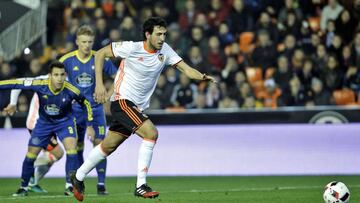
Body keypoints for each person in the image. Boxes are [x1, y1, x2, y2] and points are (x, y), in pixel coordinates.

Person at [70, 17, 216, 202]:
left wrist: (202, 76)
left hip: (135, 107)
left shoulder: (166, 50)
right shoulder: (131, 47)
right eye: (158, 34)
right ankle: (141, 185)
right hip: (122, 101)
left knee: (109, 145)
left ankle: (78, 176)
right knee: (151, 133)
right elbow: (99, 54)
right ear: (148, 34)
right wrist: (100, 85)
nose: (162, 38)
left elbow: (186, 70)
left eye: (164, 34)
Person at [0, 61, 93, 197]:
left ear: (65, 75)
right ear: (50, 75)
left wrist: (90, 125)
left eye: (62, 75)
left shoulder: (71, 89)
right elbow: (16, 83)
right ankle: (23, 187)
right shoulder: (40, 84)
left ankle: (69, 186)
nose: (59, 78)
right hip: (44, 124)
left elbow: (86, 103)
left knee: (71, 149)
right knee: (30, 155)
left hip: (64, 123)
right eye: (56, 75)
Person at [59, 25, 117, 195]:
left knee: (100, 145)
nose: (87, 45)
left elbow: (119, 75)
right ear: (77, 41)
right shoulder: (66, 60)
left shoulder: (99, 58)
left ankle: (101, 184)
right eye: (83, 42)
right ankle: (73, 183)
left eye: (90, 42)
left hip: (96, 109)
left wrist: (108, 93)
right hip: (75, 110)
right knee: (75, 146)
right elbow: (55, 81)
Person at [3, 74, 64, 193]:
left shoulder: (67, 82)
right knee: (58, 153)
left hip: (50, 125)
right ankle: (29, 168)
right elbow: (19, 81)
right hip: (37, 124)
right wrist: (13, 103)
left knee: (51, 156)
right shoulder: (41, 80)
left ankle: (32, 182)